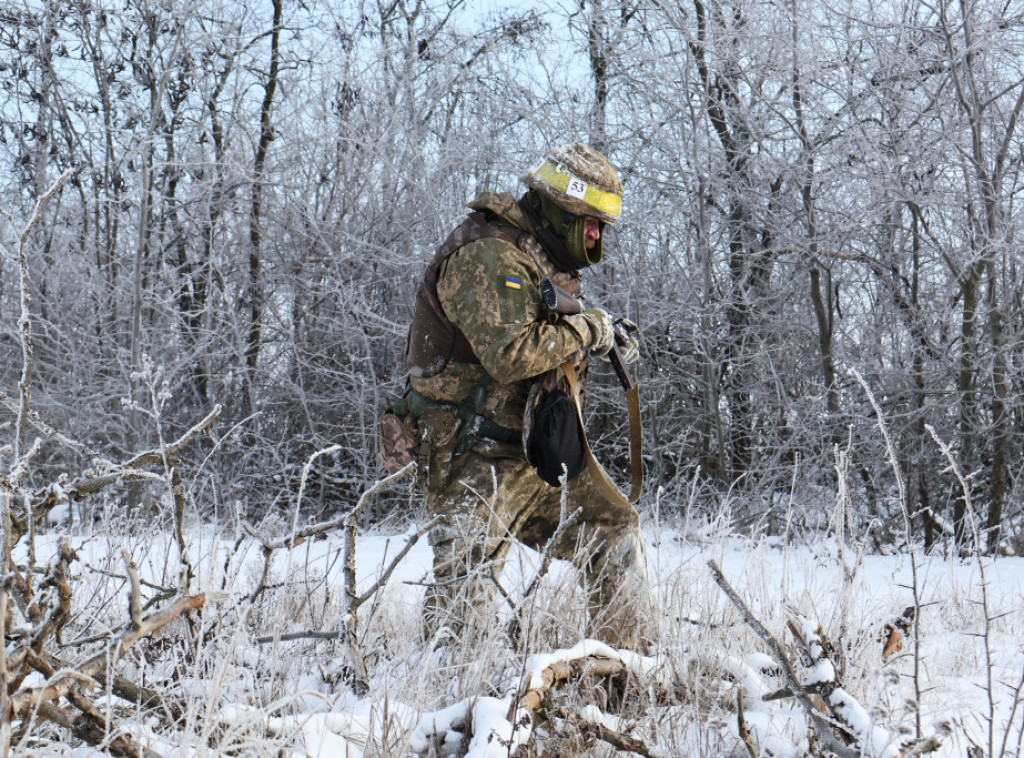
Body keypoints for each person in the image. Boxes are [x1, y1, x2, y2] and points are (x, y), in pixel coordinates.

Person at [404, 143, 655, 650]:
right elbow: (510, 353)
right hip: (468, 455)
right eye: (589, 222)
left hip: (524, 456)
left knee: (612, 529)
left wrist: (599, 329)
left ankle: (629, 677)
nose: (595, 236)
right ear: (557, 212)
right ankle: (447, 716)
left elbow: (537, 320)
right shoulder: (489, 253)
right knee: (465, 597)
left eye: (601, 227)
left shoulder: (529, 256)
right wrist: (588, 330)